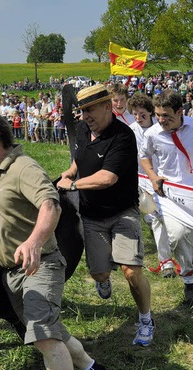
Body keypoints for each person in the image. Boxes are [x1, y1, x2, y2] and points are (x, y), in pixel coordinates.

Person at [0, 107, 113, 370]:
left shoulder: (23, 168)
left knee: (43, 334)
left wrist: (33, 241)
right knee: (50, 333)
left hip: (40, 265)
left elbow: (51, 205)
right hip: (13, 273)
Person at [56, 84, 154, 347]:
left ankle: (145, 319)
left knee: (131, 272)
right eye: (82, 110)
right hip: (92, 216)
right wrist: (70, 172)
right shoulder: (84, 130)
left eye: (89, 110)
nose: (85, 115)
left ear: (107, 107)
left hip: (123, 212)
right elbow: (81, 159)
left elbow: (108, 177)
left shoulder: (122, 136)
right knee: (99, 274)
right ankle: (103, 279)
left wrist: (74, 185)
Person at [139, 90, 193, 303]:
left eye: (167, 115)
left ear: (179, 111)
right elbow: (144, 156)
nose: (161, 120)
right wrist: (153, 176)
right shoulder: (152, 134)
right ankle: (189, 282)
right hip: (169, 195)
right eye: (158, 115)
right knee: (177, 236)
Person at [128, 92, 176, 278]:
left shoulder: (162, 129)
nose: (138, 118)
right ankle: (166, 262)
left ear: (151, 113)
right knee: (155, 218)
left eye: (143, 115)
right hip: (142, 180)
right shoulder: (130, 131)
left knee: (168, 218)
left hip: (164, 179)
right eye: (135, 114)